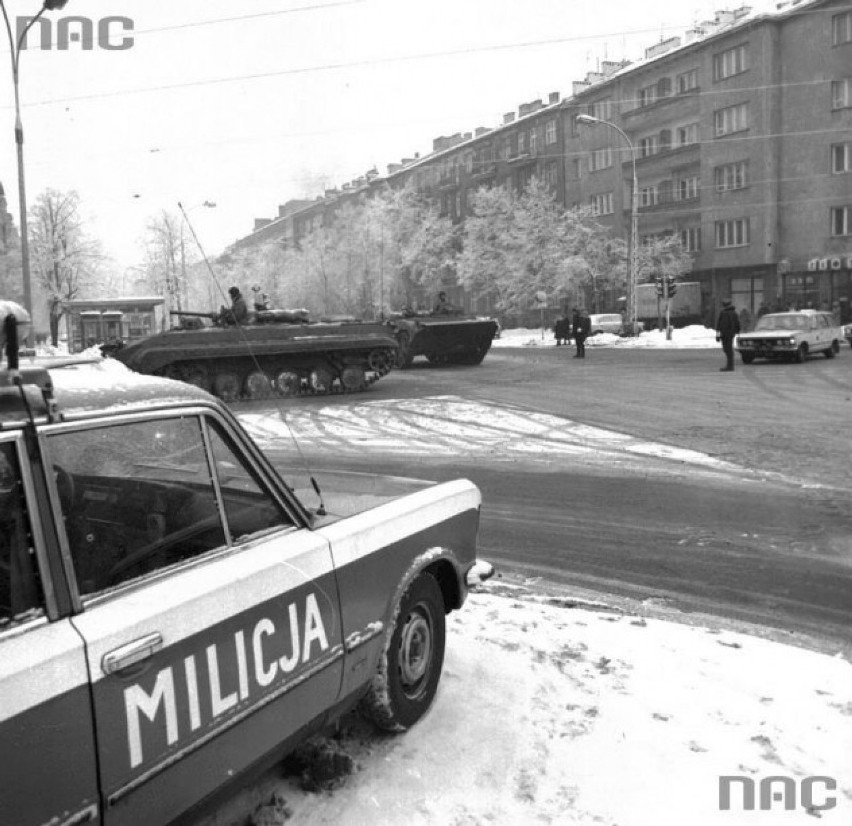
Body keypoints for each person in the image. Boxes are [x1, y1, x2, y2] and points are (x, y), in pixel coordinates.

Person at [715, 299, 741, 372]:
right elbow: (738, 324)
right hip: (731, 334)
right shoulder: (735, 313)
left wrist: (718, 335)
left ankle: (730, 366)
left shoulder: (723, 313)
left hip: (725, 334)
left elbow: (719, 326)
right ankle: (730, 365)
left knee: (727, 350)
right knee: (729, 350)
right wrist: (736, 332)